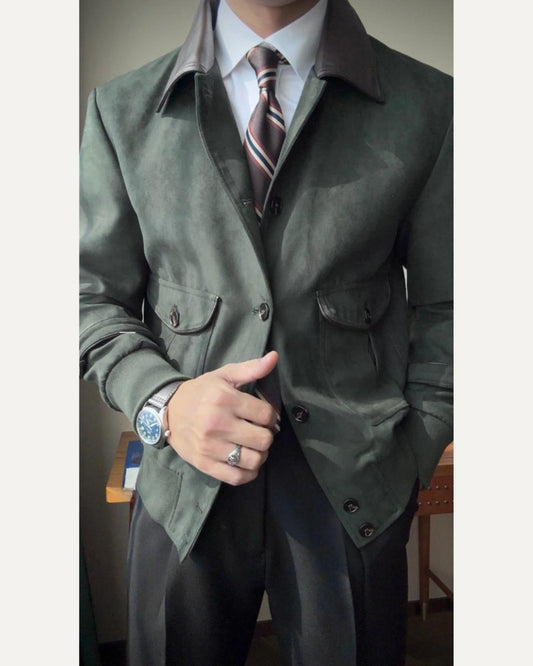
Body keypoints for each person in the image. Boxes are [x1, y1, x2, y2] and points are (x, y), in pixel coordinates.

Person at [79, 0, 453, 663]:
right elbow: (90, 299)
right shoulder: (120, 110)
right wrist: (166, 405)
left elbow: (455, 305)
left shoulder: (429, 105)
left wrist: (412, 456)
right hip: (181, 475)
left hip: (356, 483)